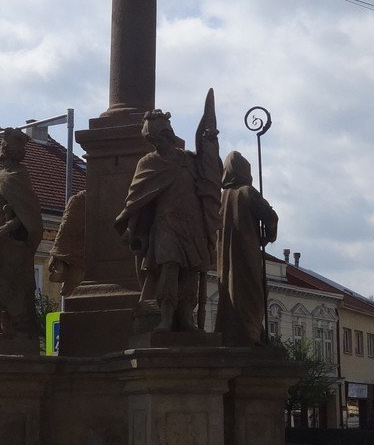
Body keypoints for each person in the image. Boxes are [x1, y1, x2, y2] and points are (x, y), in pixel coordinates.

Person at [115, 100, 220, 334]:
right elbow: (136, 197)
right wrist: (131, 225)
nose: (160, 141)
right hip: (165, 225)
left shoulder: (188, 160)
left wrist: (210, 142)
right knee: (169, 268)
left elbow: (209, 177)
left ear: (169, 134)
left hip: (192, 225)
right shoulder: (149, 162)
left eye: (163, 135)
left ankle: (186, 319)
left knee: (191, 272)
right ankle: (165, 317)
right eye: (155, 139)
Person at [0, 127, 44, 338]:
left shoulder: (19, 175)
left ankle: (8, 323)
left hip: (9, 241)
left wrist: (8, 227)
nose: (0, 150)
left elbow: (29, 214)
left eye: (5, 147)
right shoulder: (0, 176)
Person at [215, 150, 277, 346]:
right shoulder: (246, 192)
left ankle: (235, 332)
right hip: (247, 251)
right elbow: (270, 216)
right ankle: (251, 333)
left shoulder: (221, 197)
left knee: (230, 290)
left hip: (225, 256)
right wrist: (266, 236)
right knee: (253, 290)